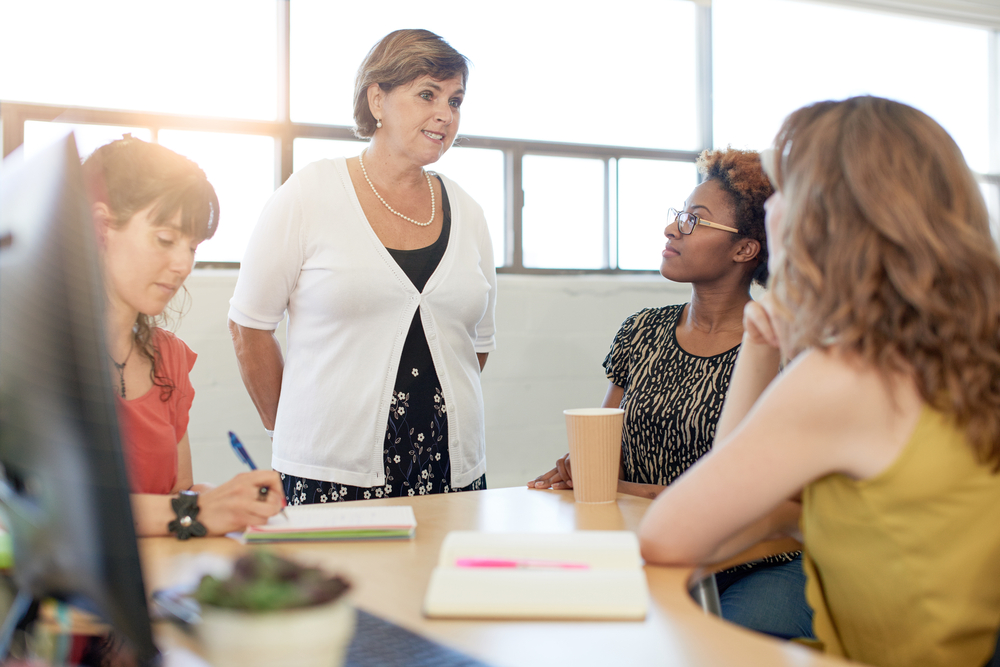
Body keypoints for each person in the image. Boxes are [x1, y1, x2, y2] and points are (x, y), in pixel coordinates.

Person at [638, 97, 1000, 667]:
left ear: (821, 218)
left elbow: (669, 536)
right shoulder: (971, 350)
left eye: (784, 193)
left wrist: (761, 344)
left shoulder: (847, 375)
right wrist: (795, 516)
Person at [530, 148, 812, 639]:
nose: (672, 229)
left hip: (758, 563)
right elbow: (603, 451)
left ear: (745, 250)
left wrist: (640, 493)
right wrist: (581, 467)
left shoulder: (779, 349)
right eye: (677, 215)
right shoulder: (642, 330)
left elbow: (779, 502)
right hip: (652, 547)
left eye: (694, 221)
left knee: (707, 641)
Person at [228, 29, 497, 505]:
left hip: (451, 472)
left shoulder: (468, 211)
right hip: (328, 473)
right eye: (427, 95)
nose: (444, 114)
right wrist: (289, 430)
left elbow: (476, 345)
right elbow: (249, 326)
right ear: (378, 99)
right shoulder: (310, 192)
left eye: (455, 101)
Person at [83, 136, 283, 537]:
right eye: (165, 239)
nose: (182, 265)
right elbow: (63, 509)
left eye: (192, 247)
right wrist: (197, 509)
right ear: (101, 228)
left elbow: (177, 492)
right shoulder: (45, 355)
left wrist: (229, 499)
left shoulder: (168, 359)